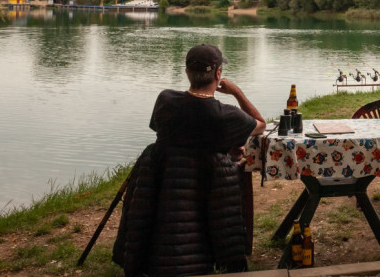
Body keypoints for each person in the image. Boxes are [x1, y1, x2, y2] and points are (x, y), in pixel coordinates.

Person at [113, 44, 266, 276]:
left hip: (162, 180)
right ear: (217, 74)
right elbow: (260, 124)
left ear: (186, 72)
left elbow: (166, 130)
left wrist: (218, 143)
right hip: (204, 187)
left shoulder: (165, 99)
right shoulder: (226, 115)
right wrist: (236, 92)